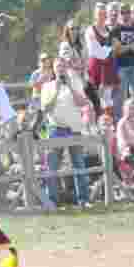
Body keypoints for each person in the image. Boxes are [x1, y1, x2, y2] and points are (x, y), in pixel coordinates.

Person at [39, 56, 92, 207]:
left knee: (79, 165)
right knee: (52, 166)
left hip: (74, 128)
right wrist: (56, 89)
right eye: (58, 67)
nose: (61, 69)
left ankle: (84, 200)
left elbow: (83, 103)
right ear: (54, 69)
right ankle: (52, 201)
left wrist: (69, 86)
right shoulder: (47, 86)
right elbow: (46, 108)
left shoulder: (75, 83)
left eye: (63, 66)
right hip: (56, 129)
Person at [109, 3, 134, 124]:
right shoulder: (115, 30)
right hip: (121, 67)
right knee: (121, 97)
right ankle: (120, 122)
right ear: (119, 14)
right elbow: (117, 50)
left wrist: (125, 47)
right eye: (122, 12)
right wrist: (130, 46)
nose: (125, 15)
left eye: (127, 12)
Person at [84, 2, 118, 117]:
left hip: (108, 68)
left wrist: (111, 48)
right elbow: (95, 52)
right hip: (96, 69)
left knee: (108, 100)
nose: (102, 16)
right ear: (95, 15)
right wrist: (110, 48)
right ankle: (96, 127)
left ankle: (108, 127)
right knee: (95, 99)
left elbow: (116, 47)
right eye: (99, 13)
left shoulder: (109, 30)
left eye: (104, 13)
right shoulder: (90, 30)